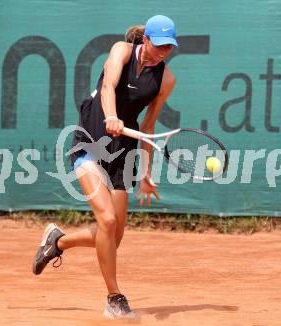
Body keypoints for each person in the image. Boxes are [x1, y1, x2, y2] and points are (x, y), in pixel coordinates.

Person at [32, 15, 178, 320]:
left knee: (113, 235)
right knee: (107, 222)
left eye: (170, 46)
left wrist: (147, 173)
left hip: (123, 152)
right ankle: (115, 298)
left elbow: (149, 125)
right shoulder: (121, 51)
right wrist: (111, 116)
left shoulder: (166, 79)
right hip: (91, 139)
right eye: (160, 44)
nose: (164, 51)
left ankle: (57, 242)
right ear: (146, 39)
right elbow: (109, 87)